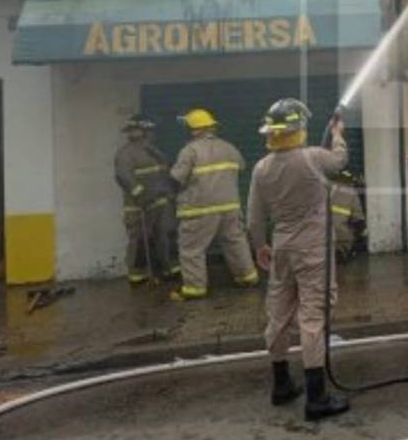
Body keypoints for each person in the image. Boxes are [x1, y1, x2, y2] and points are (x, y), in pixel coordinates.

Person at [247, 98, 350, 420]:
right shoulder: (314, 158)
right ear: (298, 129)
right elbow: (340, 161)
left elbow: (253, 218)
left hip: (281, 250)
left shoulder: (262, 168)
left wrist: (260, 246)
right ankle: (316, 398)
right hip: (313, 251)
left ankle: (281, 385)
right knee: (312, 317)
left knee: (278, 314)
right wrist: (338, 133)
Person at [167, 108, 259, 301]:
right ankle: (247, 277)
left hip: (198, 209)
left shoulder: (190, 150)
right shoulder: (229, 147)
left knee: (191, 249)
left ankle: (194, 289)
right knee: (235, 242)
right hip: (230, 207)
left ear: (194, 130)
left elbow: (176, 179)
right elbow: (241, 167)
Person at [112, 114, 179, 284]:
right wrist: (141, 196)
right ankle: (138, 276)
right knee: (140, 241)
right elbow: (124, 177)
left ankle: (170, 269)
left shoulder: (155, 151)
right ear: (141, 132)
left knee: (167, 236)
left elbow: (166, 173)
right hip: (138, 207)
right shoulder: (126, 154)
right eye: (150, 130)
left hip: (162, 204)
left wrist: (171, 193)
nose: (153, 134)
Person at [330, 170, 367, 261]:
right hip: (340, 240)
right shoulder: (351, 192)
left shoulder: (317, 186)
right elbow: (359, 222)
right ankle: (341, 251)